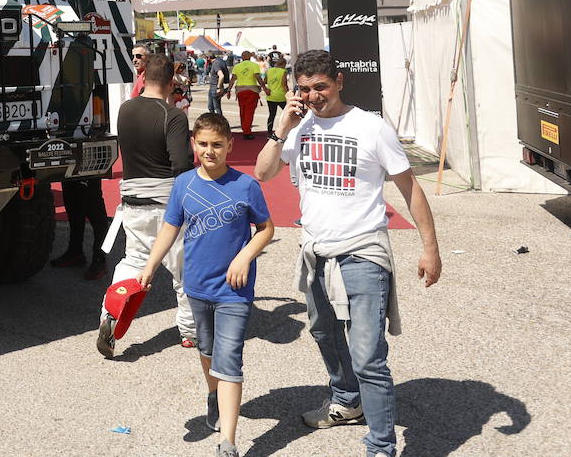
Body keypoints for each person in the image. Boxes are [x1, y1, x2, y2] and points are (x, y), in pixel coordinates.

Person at [254, 51, 443, 457]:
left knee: (368, 355)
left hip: (363, 252)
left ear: (339, 81)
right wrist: (281, 127)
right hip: (316, 251)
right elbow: (263, 173)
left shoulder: (371, 128)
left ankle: (381, 446)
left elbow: (409, 188)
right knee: (323, 331)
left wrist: (431, 248)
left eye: (320, 86)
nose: (313, 96)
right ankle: (346, 400)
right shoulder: (299, 126)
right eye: (304, 89)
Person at [139, 112, 273, 457]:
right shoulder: (184, 184)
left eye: (217, 144)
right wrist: (150, 265)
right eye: (203, 144)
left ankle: (227, 441)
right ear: (193, 145)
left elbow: (267, 229)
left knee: (229, 359)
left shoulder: (245, 186)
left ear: (230, 145)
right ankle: (213, 395)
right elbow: (170, 227)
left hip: (234, 292)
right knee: (207, 351)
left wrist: (245, 256)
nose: (209, 151)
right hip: (196, 287)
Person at [98, 54, 196, 356]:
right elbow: (181, 163)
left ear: (144, 76)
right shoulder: (173, 115)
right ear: (170, 81)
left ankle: (110, 316)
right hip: (166, 201)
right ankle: (191, 332)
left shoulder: (125, 110)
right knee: (184, 269)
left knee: (133, 262)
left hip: (132, 201)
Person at [52, 177, 111, 279]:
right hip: (69, 164)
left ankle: (99, 259)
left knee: (94, 208)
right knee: (72, 203)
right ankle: (75, 251)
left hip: (90, 165)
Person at [230, 51, 265, 140]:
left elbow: (233, 79)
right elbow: (258, 77)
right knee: (249, 111)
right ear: (250, 56)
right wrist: (264, 88)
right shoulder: (254, 65)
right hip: (252, 90)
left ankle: (244, 128)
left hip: (240, 90)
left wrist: (229, 90)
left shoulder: (237, 66)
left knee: (243, 110)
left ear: (242, 57)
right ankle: (247, 131)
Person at [264, 52, 289, 141]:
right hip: (281, 96)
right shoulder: (283, 71)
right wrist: (288, 93)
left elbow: (265, 81)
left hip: (271, 96)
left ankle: (269, 132)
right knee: (287, 113)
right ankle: (287, 131)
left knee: (272, 114)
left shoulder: (269, 70)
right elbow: (284, 84)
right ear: (284, 64)